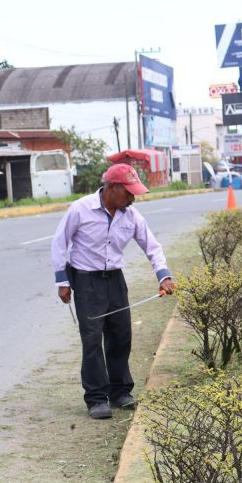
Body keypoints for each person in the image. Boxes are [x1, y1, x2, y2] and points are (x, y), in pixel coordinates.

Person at [50, 163, 176, 420]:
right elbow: (59, 242)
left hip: (115, 281)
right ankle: (96, 398)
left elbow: (151, 246)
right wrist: (62, 282)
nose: (132, 198)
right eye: (128, 193)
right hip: (86, 282)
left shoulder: (131, 215)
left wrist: (164, 275)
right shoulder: (81, 209)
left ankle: (120, 392)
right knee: (93, 339)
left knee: (121, 336)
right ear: (112, 189)